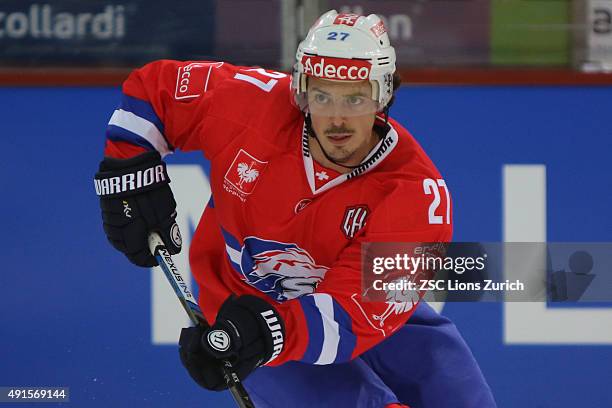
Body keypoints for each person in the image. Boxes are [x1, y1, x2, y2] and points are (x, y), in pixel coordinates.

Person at [94, 10, 496, 408]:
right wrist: (130, 173)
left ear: (383, 95)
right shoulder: (253, 103)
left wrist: (262, 331)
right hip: (245, 303)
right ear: (300, 91)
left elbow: (346, 320)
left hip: (361, 308)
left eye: (354, 98)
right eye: (322, 96)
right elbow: (155, 90)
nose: (337, 118)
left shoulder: (417, 198)